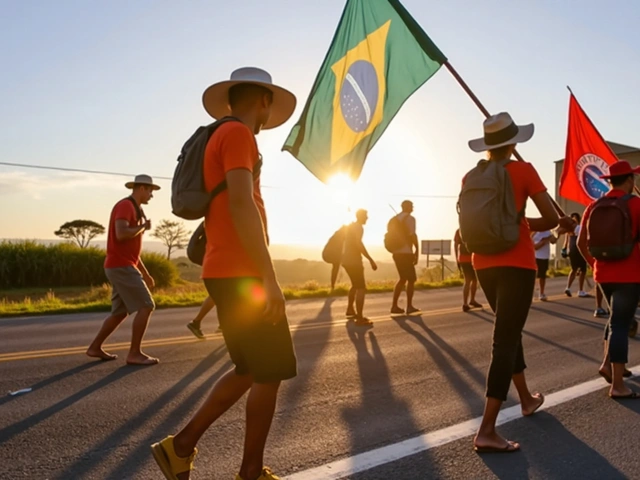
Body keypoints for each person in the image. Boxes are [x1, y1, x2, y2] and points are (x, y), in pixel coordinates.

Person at [151, 67, 298, 480]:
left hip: (222, 267)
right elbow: (240, 203)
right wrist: (269, 276)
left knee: (249, 370)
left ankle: (179, 448)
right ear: (265, 101)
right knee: (271, 374)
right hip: (242, 271)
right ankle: (250, 472)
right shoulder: (238, 135)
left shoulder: (221, 133)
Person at [462, 112, 575, 453]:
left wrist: (516, 217)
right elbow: (551, 218)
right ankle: (487, 430)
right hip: (517, 262)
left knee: (509, 331)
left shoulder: (470, 176)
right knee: (505, 339)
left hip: (483, 262)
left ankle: (526, 398)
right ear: (513, 144)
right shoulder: (523, 171)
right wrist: (557, 222)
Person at [577, 160, 640, 398]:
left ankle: (607, 365)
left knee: (616, 319)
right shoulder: (636, 204)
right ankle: (617, 385)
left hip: (603, 274)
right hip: (630, 273)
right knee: (620, 324)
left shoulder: (594, 205)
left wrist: (595, 265)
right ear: (630, 181)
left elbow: (582, 243)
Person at [86, 174, 160, 366]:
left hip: (123, 264)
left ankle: (95, 348)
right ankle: (134, 354)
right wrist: (143, 227)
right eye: (151, 190)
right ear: (141, 188)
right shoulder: (126, 206)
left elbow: (133, 249)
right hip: (121, 265)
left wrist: (145, 273)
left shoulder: (137, 209)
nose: (152, 195)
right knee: (146, 305)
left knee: (119, 313)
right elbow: (121, 234)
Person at [342, 209, 378, 326]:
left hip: (346, 260)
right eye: (366, 216)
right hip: (354, 261)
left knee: (354, 285)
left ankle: (350, 309)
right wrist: (370, 259)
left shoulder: (350, 226)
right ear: (361, 216)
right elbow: (359, 244)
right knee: (361, 288)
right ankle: (360, 318)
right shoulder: (359, 227)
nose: (367, 218)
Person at [390, 200, 420, 315]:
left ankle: (394, 305)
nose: (413, 207)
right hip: (406, 252)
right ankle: (409, 306)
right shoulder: (410, 219)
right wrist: (417, 250)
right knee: (411, 280)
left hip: (396, 252)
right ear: (407, 207)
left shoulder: (395, 219)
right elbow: (412, 235)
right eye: (411, 206)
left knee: (402, 279)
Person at [454, 228, 482, 312]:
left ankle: (471, 300)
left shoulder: (460, 230)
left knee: (474, 280)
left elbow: (456, 246)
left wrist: (457, 259)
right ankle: (465, 303)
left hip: (466, 258)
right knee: (469, 280)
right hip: (469, 258)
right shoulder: (472, 229)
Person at [562, 213, 589, 297]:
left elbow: (566, 242)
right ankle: (580, 290)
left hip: (572, 250)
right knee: (583, 270)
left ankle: (568, 287)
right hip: (579, 250)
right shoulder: (580, 228)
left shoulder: (568, 231)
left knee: (574, 269)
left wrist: (564, 249)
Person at [531, 230, 555, 301]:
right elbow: (535, 247)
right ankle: (531, 294)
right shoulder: (534, 232)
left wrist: (557, 233)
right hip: (536, 256)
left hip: (545, 256)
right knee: (534, 276)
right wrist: (544, 241)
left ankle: (541, 293)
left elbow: (553, 241)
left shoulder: (548, 232)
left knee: (542, 276)